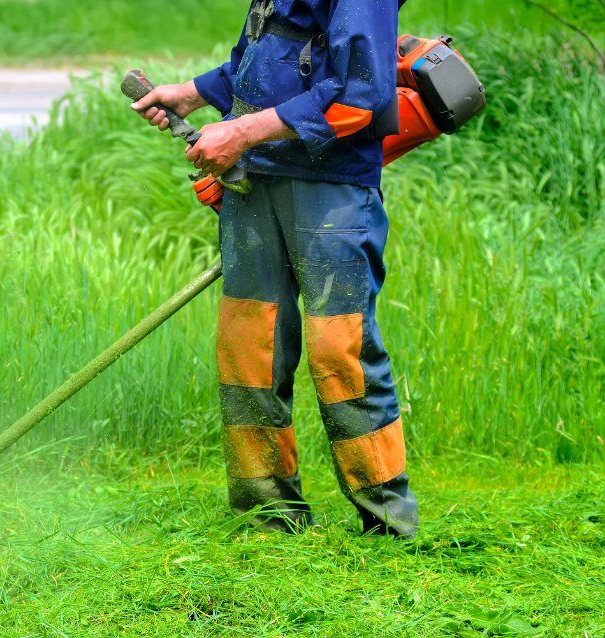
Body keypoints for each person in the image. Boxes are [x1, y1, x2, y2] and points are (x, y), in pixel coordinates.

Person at [130, 0, 418, 537]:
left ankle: (387, 521)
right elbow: (265, 57)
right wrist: (191, 94)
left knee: (341, 350)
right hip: (254, 183)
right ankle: (267, 516)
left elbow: (361, 99)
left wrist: (238, 134)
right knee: (249, 348)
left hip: (330, 190)